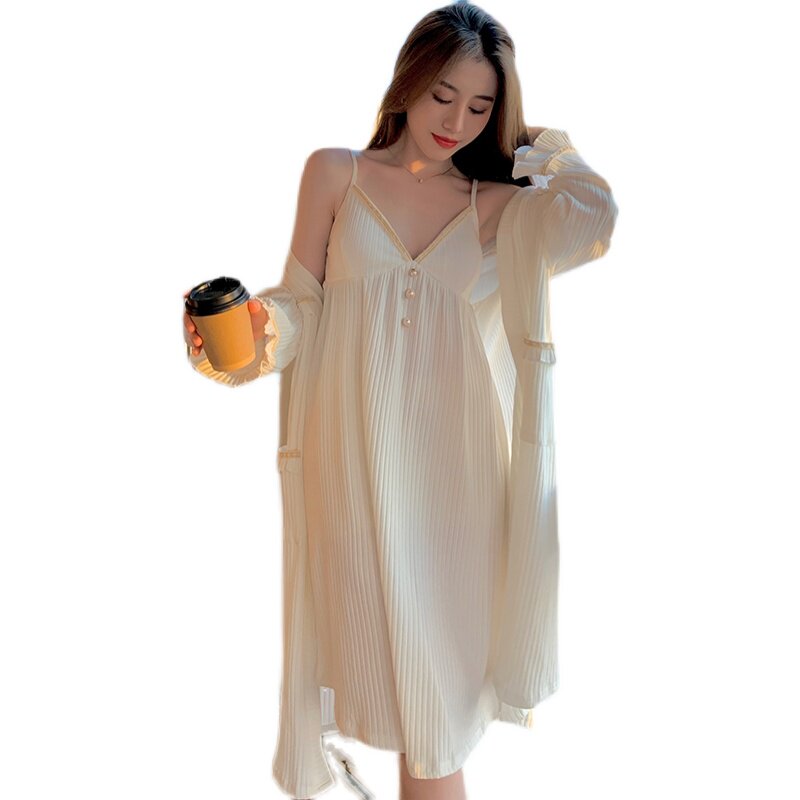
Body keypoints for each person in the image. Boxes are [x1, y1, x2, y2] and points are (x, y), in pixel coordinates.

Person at [183, 2, 617, 798]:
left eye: (481, 106)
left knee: (436, 726)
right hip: (355, 469)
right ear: (408, 82)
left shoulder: (494, 206)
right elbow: (301, 306)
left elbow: (594, 219)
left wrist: (534, 142)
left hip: (456, 481)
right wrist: (248, 333)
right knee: (410, 717)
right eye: (443, 95)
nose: (456, 121)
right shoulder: (335, 174)